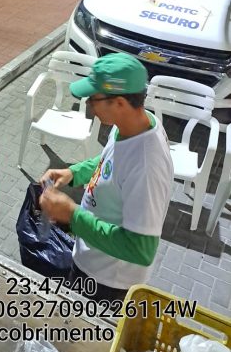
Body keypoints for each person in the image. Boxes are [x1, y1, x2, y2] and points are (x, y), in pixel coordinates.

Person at [39, 53, 173, 304]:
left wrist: (72, 214)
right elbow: (110, 161)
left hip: (107, 283)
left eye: (94, 99)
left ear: (120, 102)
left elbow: (140, 249)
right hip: (92, 260)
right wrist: (74, 172)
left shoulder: (147, 165)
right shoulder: (130, 126)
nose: (89, 104)